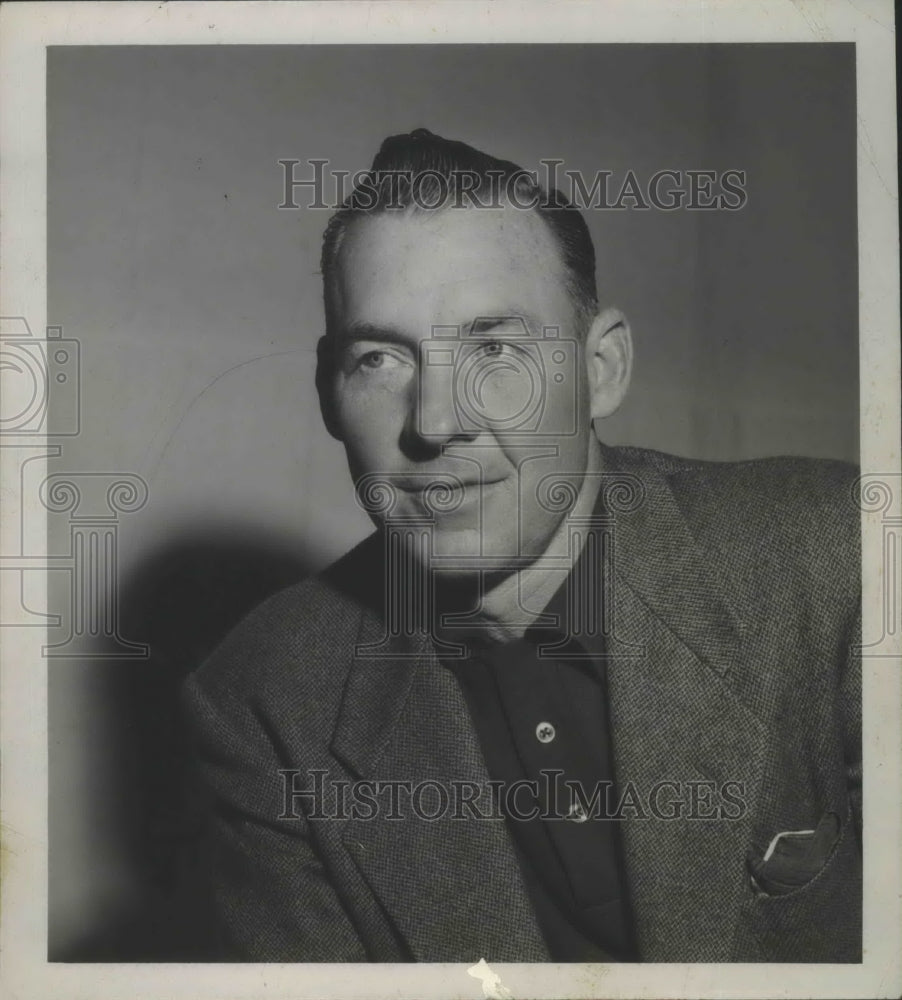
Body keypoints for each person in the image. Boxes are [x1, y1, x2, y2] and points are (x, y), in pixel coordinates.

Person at [182, 129, 861, 962]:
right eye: (380, 358)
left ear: (601, 368)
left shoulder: (842, 559)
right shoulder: (263, 699)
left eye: (494, 348)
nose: (434, 422)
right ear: (329, 393)